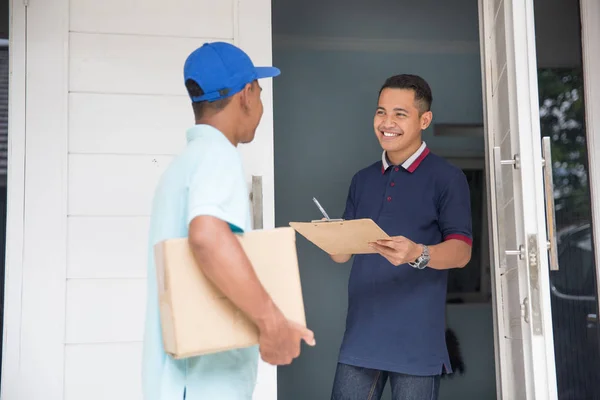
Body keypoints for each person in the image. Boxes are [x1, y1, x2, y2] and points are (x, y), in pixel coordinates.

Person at [142, 42, 315, 400]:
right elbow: (206, 237)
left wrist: (281, 321)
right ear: (247, 94)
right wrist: (271, 324)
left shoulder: (182, 166)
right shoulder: (218, 155)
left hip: (175, 383)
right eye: (261, 91)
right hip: (205, 387)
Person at [329, 74, 472, 400]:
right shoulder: (361, 180)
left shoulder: (447, 178)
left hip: (417, 341)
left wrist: (417, 254)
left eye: (399, 114)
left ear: (424, 119)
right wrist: (330, 237)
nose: (386, 122)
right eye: (381, 112)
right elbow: (342, 254)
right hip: (361, 337)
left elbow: (461, 252)